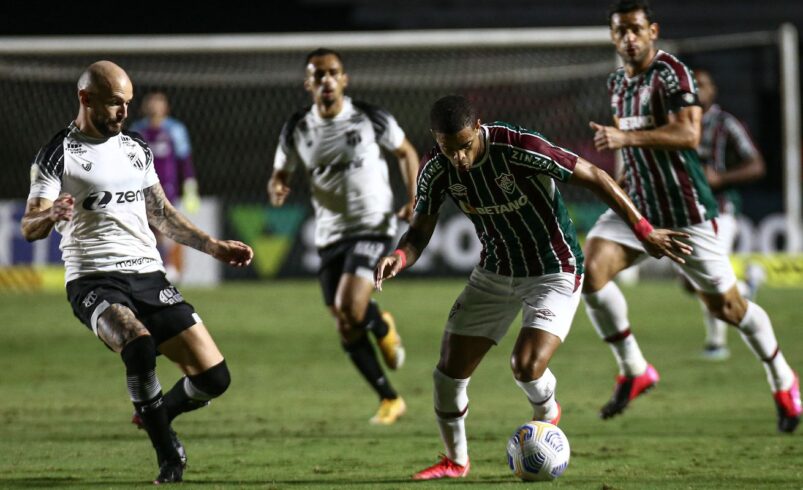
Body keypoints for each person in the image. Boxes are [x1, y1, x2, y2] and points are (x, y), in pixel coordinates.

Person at [374, 94, 690, 480]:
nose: (458, 157)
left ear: (479, 128)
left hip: (553, 270)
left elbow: (596, 177)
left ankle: (547, 412)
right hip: (494, 273)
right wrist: (400, 257)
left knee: (525, 366)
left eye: (464, 146)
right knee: (446, 376)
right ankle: (456, 462)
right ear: (435, 140)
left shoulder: (519, 147)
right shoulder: (436, 170)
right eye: (447, 148)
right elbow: (420, 231)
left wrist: (644, 230)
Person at [20, 60, 254, 484]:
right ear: (85, 99)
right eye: (114, 104)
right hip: (93, 279)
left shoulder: (136, 147)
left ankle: (157, 415)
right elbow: (29, 225)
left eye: (127, 103)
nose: (124, 112)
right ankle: (169, 455)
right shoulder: (58, 154)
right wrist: (51, 212)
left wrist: (213, 246)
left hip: (148, 275)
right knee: (138, 346)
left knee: (214, 378)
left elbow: (162, 215)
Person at [585, 0, 800, 432]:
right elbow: (630, 148)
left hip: (686, 212)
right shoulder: (617, 84)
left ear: (653, 31)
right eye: (620, 31)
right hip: (641, 205)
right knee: (589, 272)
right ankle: (634, 369)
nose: (628, 37)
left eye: (636, 29)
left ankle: (783, 379)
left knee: (728, 307)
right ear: (612, 36)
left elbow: (688, 133)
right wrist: (624, 179)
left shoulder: (672, 73)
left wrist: (625, 137)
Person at [267, 47, 419, 425]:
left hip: (374, 225)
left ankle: (381, 326)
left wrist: (414, 197)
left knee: (351, 306)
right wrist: (278, 187)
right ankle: (390, 398)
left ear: (344, 79)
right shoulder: (297, 128)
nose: (327, 80)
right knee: (345, 324)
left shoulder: (370, 118)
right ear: (309, 84)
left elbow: (406, 152)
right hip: (330, 234)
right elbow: (280, 173)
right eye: (318, 74)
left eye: (333, 72)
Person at [690, 68, 767, 360]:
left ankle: (716, 343)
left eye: (704, 85)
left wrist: (721, 179)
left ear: (714, 91)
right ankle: (747, 286)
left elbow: (757, 165)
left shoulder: (726, 124)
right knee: (691, 280)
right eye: (692, 84)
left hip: (721, 210)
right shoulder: (675, 122)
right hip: (686, 212)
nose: (697, 89)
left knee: (708, 277)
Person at [129, 91, 200, 284]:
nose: (154, 107)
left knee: (163, 225)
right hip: (139, 187)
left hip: (166, 186)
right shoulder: (137, 130)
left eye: (158, 103)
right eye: (150, 103)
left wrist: (190, 186)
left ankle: (169, 266)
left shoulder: (175, 129)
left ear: (166, 107)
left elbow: (184, 159)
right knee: (145, 227)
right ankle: (152, 266)